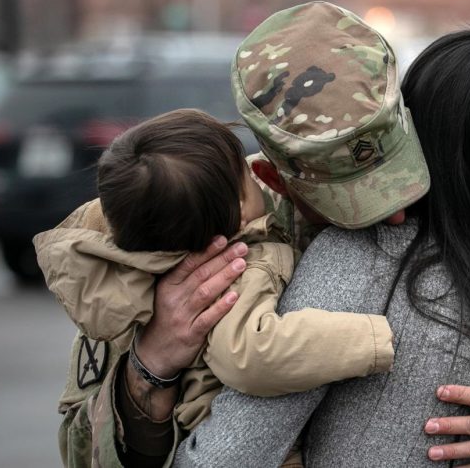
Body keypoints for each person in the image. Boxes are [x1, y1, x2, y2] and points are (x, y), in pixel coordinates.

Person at [60, 3, 470, 468]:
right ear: (271, 180)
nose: (397, 217)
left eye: (403, 178)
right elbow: (80, 449)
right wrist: (151, 370)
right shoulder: (178, 236)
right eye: (356, 197)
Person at [34, 108, 399, 464]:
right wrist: (150, 367)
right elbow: (83, 453)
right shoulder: (237, 257)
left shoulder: (148, 221)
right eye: (247, 172)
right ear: (242, 201)